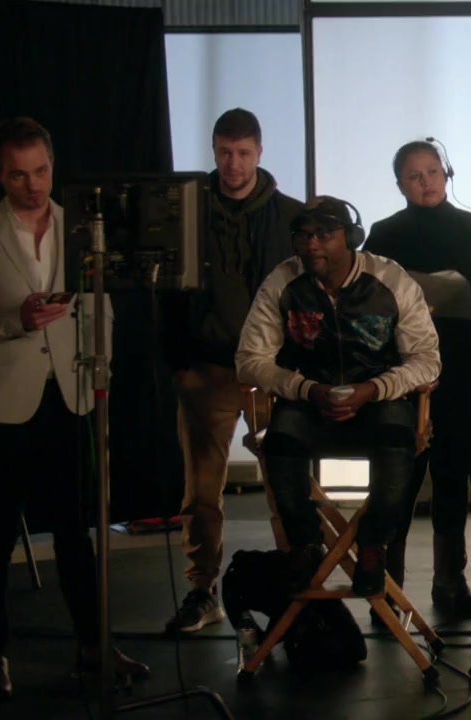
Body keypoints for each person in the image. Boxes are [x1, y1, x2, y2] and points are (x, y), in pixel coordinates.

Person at [0, 117, 149, 699]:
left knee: (74, 534)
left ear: (53, 166)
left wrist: (101, 369)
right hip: (4, 405)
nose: (33, 184)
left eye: (41, 171)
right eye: (19, 175)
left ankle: (93, 646)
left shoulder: (83, 228)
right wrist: (15, 319)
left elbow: (100, 307)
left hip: (72, 394)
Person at [235, 195, 441, 597]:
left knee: (399, 445)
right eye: (303, 235)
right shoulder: (282, 281)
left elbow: (428, 359)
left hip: (379, 400)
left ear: (351, 237)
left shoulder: (391, 279)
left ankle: (372, 546)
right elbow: (249, 360)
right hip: (307, 400)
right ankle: (306, 546)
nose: (312, 244)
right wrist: (306, 389)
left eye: (324, 234)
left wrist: (374, 389)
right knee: (279, 444)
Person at [166, 108, 305, 633]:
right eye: (225, 152)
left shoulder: (291, 218)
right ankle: (201, 590)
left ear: (260, 153)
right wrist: (179, 362)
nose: (233, 163)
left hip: (271, 370)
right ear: (213, 150)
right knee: (201, 492)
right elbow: (167, 292)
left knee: (285, 486)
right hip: (207, 368)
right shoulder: (188, 212)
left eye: (243, 153)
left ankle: (298, 590)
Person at [364, 140, 471, 616]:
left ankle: (451, 582)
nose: (425, 182)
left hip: (462, 366)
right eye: (414, 175)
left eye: (432, 172)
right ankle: (388, 585)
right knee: (399, 475)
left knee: (452, 473)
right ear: (400, 184)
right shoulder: (384, 233)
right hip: (399, 368)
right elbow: (364, 300)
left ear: (447, 174)